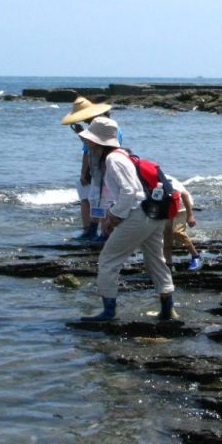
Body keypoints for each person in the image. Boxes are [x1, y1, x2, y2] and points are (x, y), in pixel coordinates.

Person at [78, 117, 176, 322]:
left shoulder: (112, 160)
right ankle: (167, 311)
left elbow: (130, 191)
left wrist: (113, 217)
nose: (87, 143)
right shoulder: (123, 155)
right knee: (155, 260)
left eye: (89, 139)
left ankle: (109, 312)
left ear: (97, 142)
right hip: (153, 213)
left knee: (108, 259)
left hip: (138, 214)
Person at [59, 97, 116, 241]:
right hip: (96, 171)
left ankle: (102, 233)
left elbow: (96, 147)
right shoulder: (99, 130)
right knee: (95, 200)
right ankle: (94, 231)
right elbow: (90, 148)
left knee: (103, 201)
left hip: (101, 171)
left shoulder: (106, 131)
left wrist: (84, 173)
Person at [161, 177, 202, 270]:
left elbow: (184, 194)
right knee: (166, 236)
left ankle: (196, 256)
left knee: (177, 231)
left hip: (182, 205)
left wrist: (190, 215)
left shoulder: (165, 180)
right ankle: (168, 264)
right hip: (166, 207)